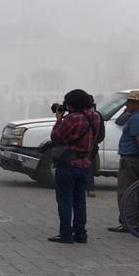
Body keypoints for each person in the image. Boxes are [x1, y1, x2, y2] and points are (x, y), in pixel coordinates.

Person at [47, 89, 99, 243]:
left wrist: (58, 119)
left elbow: (56, 136)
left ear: (72, 104)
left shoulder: (72, 119)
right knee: (80, 201)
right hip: (85, 163)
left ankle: (66, 234)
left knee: (65, 200)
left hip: (68, 164)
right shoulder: (95, 117)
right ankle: (81, 234)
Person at [109, 90, 139, 233]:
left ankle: (128, 224)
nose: (127, 105)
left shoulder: (136, 118)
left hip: (131, 158)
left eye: (129, 102)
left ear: (136, 103)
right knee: (138, 192)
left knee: (127, 192)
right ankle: (136, 223)